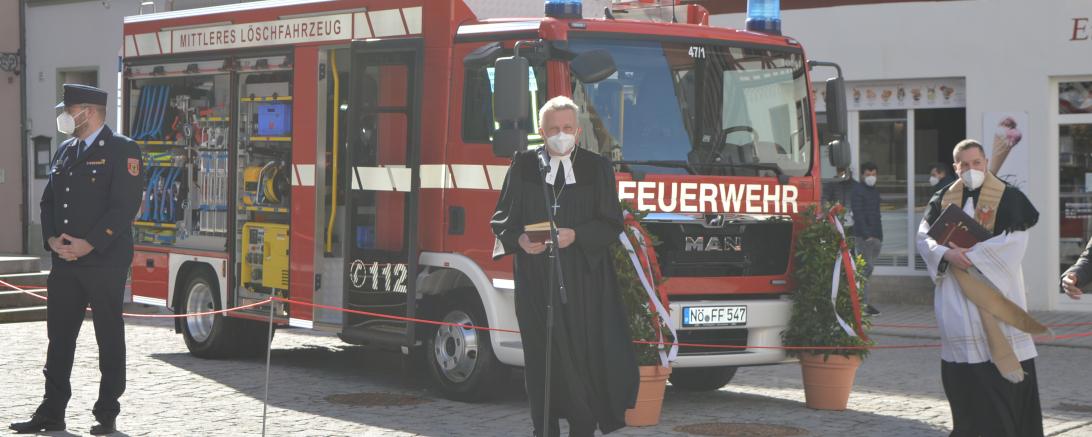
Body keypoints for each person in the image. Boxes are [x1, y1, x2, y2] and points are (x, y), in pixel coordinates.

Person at [491, 96, 638, 437]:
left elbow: (611, 223)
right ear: (542, 132)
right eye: (554, 129)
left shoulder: (596, 167)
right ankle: (544, 428)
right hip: (535, 280)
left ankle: (582, 426)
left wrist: (578, 235)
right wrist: (519, 242)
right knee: (543, 361)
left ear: (578, 130)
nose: (561, 135)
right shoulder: (524, 165)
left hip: (583, 281)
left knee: (579, 359)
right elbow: (501, 219)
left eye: (567, 128)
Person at [10, 84, 144, 435]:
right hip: (65, 261)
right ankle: (52, 412)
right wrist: (52, 239)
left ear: (89, 111)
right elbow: (49, 202)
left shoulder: (121, 149)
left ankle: (106, 413)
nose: (65, 117)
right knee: (60, 338)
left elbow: (125, 206)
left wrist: (91, 244)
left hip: (104, 260)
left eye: (69, 110)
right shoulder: (65, 150)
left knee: (109, 338)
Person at [915, 139, 1044, 437]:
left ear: (985, 162)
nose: (971, 169)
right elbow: (924, 238)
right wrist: (947, 255)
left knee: (1003, 378)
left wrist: (969, 258)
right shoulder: (943, 198)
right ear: (955, 167)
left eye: (977, 163)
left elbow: (1015, 242)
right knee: (967, 379)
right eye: (965, 164)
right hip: (957, 299)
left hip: (997, 295)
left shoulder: (1009, 197)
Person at [851, 162, 882, 316]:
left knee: (867, 271)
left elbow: (877, 214)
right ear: (862, 175)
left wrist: (878, 235)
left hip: (876, 236)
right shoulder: (858, 190)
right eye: (868, 174)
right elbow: (858, 214)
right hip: (864, 237)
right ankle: (861, 305)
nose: (871, 177)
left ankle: (862, 303)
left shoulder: (874, 191)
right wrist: (866, 234)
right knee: (865, 269)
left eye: (874, 174)